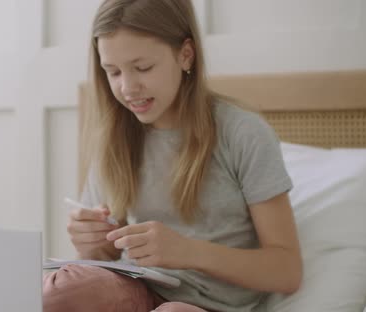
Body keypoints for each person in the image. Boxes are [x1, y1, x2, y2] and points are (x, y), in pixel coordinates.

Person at [42, 0, 302, 311]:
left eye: (143, 68)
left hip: (208, 305)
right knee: (60, 290)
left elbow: (287, 270)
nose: (128, 88)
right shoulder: (113, 138)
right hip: (136, 287)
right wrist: (92, 245)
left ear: (185, 54)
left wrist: (189, 251)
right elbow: (104, 260)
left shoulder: (242, 133)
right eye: (113, 72)